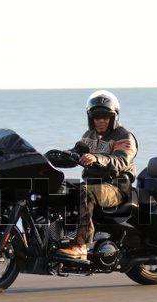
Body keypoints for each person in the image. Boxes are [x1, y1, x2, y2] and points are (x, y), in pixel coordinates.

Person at [56, 90, 138, 259]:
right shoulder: (88, 136)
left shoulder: (124, 136)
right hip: (93, 183)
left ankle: (81, 244)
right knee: (60, 189)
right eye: (96, 117)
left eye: (105, 117)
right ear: (90, 118)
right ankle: (57, 238)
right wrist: (53, 157)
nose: (100, 121)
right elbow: (75, 154)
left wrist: (97, 158)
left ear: (114, 117)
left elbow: (121, 160)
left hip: (116, 188)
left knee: (86, 191)